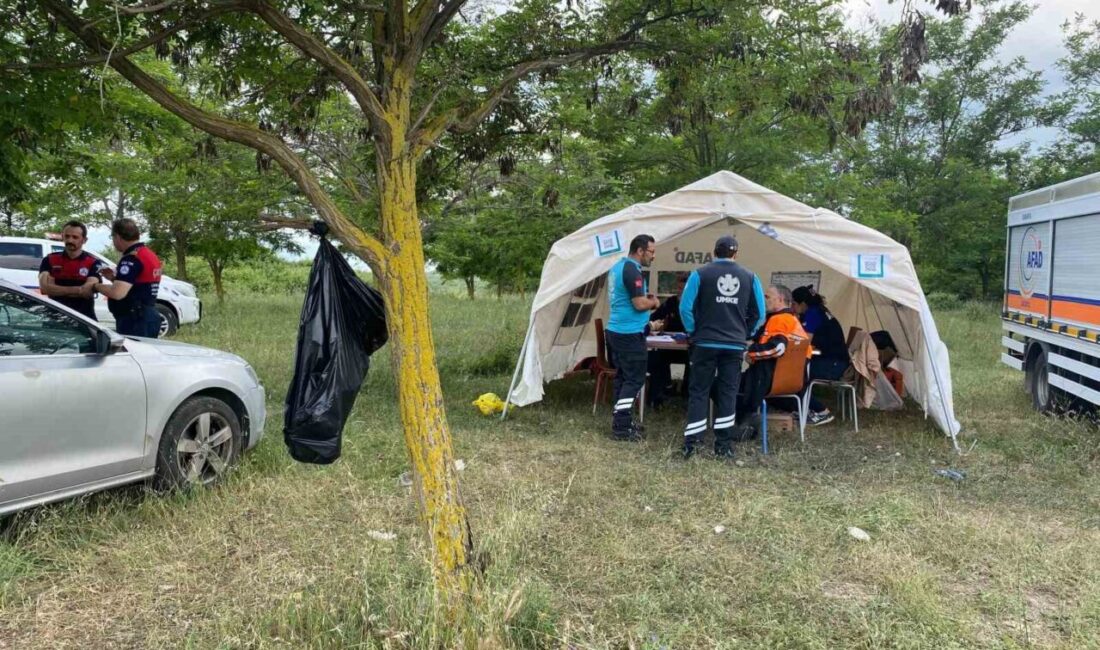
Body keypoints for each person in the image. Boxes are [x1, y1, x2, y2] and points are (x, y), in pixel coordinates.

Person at [678, 235, 764, 459]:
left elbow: (685, 307)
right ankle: (723, 446)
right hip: (733, 345)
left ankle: (693, 445)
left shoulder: (699, 273)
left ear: (714, 252)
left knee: (699, 392)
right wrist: (745, 334)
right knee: (728, 393)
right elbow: (759, 314)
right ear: (736, 254)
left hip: (704, 342)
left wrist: (693, 331)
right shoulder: (751, 277)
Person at [735, 284, 812, 437]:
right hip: (793, 381)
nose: (765, 300)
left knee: (721, 384)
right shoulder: (792, 319)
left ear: (780, 299)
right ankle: (747, 420)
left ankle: (743, 423)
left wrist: (748, 353)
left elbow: (777, 348)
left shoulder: (779, 319)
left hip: (769, 380)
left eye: (767, 297)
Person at [604, 234, 660, 441]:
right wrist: (654, 302)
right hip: (628, 334)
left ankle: (622, 422)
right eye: (651, 251)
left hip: (617, 331)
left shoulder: (618, 267)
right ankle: (621, 428)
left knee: (623, 378)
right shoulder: (631, 270)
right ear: (640, 250)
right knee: (635, 379)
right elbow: (639, 304)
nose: (653, 256)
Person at [94, 218, 163, 337]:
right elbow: (139, 285)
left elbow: (117, 293)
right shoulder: (149, 254)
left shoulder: (131, 258)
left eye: (112, 237)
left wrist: (95, 286)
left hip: (135, 319)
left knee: (133, 348)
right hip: (148, 314)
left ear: (118, 237)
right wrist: (113, 278)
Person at [792, 285, 849, 425]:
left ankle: (821, 411)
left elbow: (804, 341)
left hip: (832, 365)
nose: (792, 307)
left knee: (796, 374)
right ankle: (805, 407)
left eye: (793, 304)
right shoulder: (819, 310)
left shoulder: (813, 314)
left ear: (802, 304)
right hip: (836, 361)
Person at [37, 220, 104, 320]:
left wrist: (56, 289)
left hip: (84, 318)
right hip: (54, 317)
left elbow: (87, 291)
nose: (70, 240)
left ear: (84, 240)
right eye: (67, 236)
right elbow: (44, 289)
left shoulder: (93, 262)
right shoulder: (50, 259)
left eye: (75, 237)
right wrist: (79, 290)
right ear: (62, 236)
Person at [646, 272, 689, 409]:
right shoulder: (671, 302)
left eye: (683, 289)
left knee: (695, 360)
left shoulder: (697, 304)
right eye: (679, 288)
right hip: (669, 346)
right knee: (657, 357)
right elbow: (654, 317)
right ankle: (661, 393)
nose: (680, 292)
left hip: (687, 348)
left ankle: (686, 395)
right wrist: (652, 325)